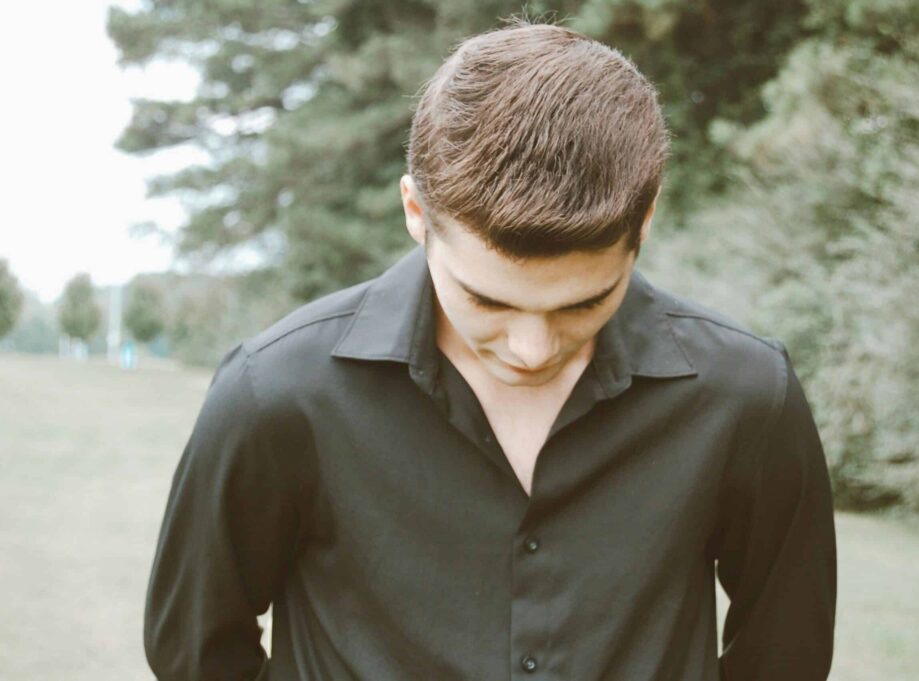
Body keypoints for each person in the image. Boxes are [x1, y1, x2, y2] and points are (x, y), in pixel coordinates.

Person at [144, 21, 837, 681]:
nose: (532, 348)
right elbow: (197, 650)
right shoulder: (276, 392)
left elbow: (784, 658)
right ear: (417, 213)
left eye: (582, 303)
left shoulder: (748, 395)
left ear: (646, 220)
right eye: (489, 301)